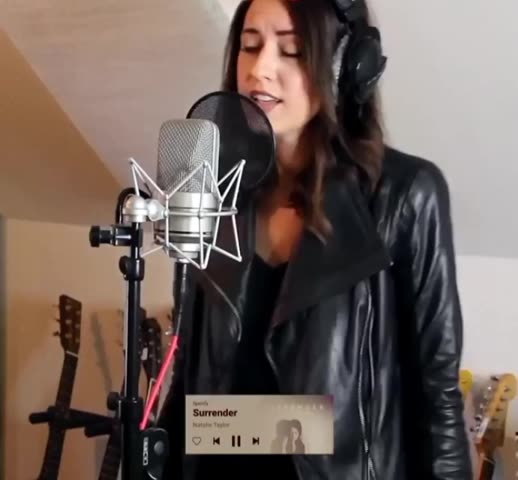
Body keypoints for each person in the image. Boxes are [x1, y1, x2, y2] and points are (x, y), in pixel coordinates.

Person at [158, 0, 473, 479]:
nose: (260, 69)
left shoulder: (406, 195)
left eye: (292, 51)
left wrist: (290, 427)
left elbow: (438, 397)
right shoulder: (211, 191)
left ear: (347, 67)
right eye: (249, 46)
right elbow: (193, 384)